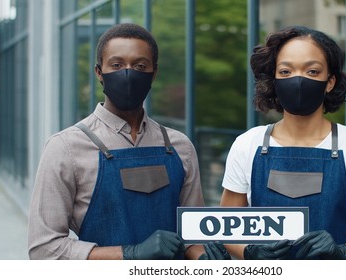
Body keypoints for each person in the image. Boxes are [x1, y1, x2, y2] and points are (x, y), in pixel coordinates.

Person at [28, 23, 229, 260]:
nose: (128, 72)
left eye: (140, 65)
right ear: (99, 73)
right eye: (116, 65)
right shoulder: (65, 148)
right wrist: (130, 254)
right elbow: (44, 249)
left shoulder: (179, 146)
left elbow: (193, 235)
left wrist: (205, 259)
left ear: (153, 73)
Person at [220, 25, 346, 260]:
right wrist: (249, 251)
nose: (298, 80)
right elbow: (226, 226)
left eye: (312, 71)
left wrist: (344, 252)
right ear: (274, 79)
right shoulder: (246, 145)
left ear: (330, 81)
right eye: (285, 71)